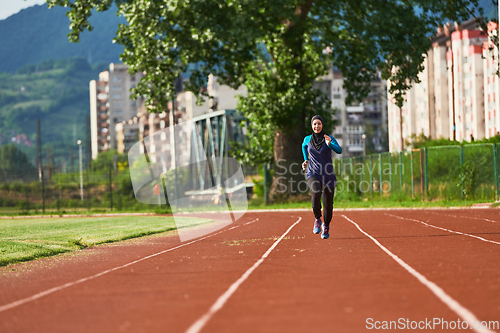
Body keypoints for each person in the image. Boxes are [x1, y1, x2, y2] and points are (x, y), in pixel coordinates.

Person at [301, 115, 342, 239]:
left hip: (328, 175)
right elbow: (304, 146)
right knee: (315, 192)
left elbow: (339, 151)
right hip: (312, 172)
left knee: (328, 203)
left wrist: (330, 144)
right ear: (312, 126)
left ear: (322, 125)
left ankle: (326, 225)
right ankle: (318, 219)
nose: (316, 126)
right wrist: (305, 160)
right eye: (314, 124)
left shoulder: (329, 138)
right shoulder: (307, 139)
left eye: (319, 124)